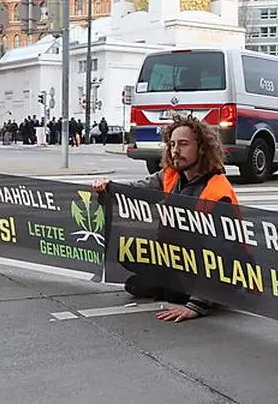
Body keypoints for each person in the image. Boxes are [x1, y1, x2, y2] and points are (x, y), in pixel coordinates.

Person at [93, 114, 238, 323]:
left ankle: (203, 293)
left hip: (215, 266)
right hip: (179, 258)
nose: (175, 151)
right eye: (171, 145)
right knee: (129, 256)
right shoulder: (171, 174)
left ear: (203, 148)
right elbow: (137, 190)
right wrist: (108, 188)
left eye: (184, 144)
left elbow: (221, 252)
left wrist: (197, 305)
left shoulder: (217, 191)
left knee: (172, 294)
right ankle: (173, 285)